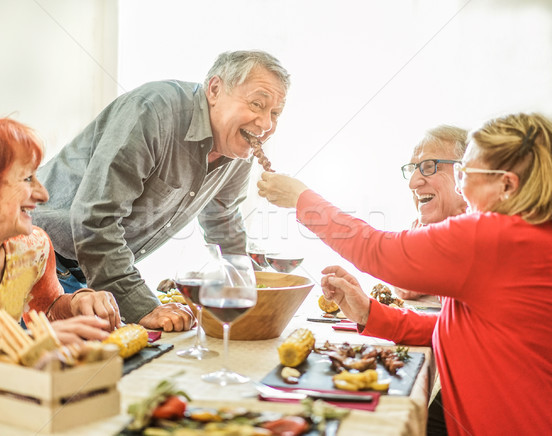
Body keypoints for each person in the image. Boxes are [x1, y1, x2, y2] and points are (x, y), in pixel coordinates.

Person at [257, 113, 552, 436]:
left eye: (466, 172)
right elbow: (465, 329)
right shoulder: (531, 233)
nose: (460, 183)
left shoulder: (493, 236)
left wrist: (301, 199)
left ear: (506, 185)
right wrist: (371, 313)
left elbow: (377, 250)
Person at [32, 50, 290, 331]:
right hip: (39, 262)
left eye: (275, 113)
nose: (266, 124)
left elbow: (223, 219)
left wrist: (249, 289)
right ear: (215, 89)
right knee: (33, 369)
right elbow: (96, 219)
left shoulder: (238, 147)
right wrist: (142, 305)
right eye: (256, 104)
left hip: (94, 278)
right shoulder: (154, 111)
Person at [0, 115, 122, 372]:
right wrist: (22, 343)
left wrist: (77, 303)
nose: (43, 195)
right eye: (27, 179)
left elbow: (48, 307)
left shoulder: (32, 248)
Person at [395, 125, 468, 300]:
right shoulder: (424, 229)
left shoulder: (488, 231)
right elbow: (404, 286)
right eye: (413, 169)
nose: (412, 183)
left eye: (429, 167)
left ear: (465, 173)